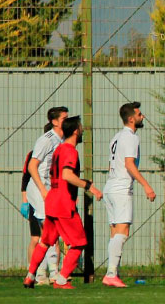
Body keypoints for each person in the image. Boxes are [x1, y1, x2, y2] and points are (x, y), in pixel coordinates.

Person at [24, 116, 103, 289]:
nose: (82, 130)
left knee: (45, 241)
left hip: (52, 200)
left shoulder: (58, 149)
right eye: (81, 127)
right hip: (63, 203)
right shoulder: (69, 151)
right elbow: (67, 175)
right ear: (76, 131)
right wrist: (89, 186)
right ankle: (61, 280)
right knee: (79, 243)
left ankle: (30, 276)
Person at [102, 102, 156, 287]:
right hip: (121, 188)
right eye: (140, 114)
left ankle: (112, 273)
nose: (143, 117)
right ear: (132, 118)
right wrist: (146, 186)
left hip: (110, 186)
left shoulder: (116, 137)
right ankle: (110, 274)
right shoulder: (131, 138)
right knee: (123, 232)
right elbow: (129, 164)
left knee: (115, 232)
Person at [26, 106, 70, 284]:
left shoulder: (63, 140)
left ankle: (42, 273)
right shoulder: (46, 140)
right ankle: (49, 274)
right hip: (39, 189)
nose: (67, 121)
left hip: (51, 191)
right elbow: (31, 166)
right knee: (50, 230)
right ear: (55, 121)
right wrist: (43, 190)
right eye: (64, 118)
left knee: (51, 232)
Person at [20, 124, 52, 273]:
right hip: (36, 197)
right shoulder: (34, 154)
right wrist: (25, 201)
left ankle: (50, 272)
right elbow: (26, 177)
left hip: (50, 196)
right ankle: (32, 270)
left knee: (50, 236)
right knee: (35, 237)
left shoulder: (57, 153)